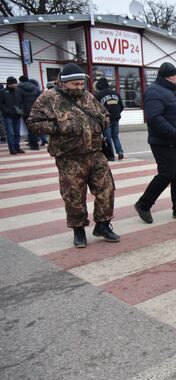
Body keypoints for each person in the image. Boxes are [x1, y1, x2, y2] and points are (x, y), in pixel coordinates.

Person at [27, 63, 120, 248]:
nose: (80, 87)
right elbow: (33, 123)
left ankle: (102, 225)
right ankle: (79, 230)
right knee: (74, 196)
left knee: (106, 190)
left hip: (95, 153)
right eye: (75, 84)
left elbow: (105, 114)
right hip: (69, 157)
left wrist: (103, 121)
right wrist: (59, 127)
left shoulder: (87, 96)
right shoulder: (49, 98)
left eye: (81, 84)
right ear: (64, 83)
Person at [134, 62, 176, 224]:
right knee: (166, 174)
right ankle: (143, 204)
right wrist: (174, 132)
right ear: (170, 77)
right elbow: (154, 118)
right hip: (164, 142)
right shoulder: (155, 92)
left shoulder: (170, 90)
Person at [95, 77, 125, 160]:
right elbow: (121, 106)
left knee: (107, 138)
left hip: (106, 119)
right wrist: (117, 113)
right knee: (115, 136)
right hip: (116, 118)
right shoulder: (115, 93)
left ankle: (111, 156)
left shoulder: (98, 95)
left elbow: (95, 108)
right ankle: (120, 152)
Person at [0, 76, 24, 155]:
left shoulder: (18, 91)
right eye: (14, 83)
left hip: (17, 115)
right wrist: (6, 110)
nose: (16, 84)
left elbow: (21, 101)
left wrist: (21, 109)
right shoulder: (2, 92)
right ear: (9, 84)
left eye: (16, 83)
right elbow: (1, 103)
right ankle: (12, 148)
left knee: (17, 132)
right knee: (10, 133)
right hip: (8, 116)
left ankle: (17, 147)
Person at [18, 76, 42, 150]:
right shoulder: (35, 88)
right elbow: (40, 99)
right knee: (34, 127)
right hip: (35, 110)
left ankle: (34, 144)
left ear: (21, 81)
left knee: (29, 128)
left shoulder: (19, 89)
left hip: (26, 111)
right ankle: (34, 143)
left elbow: (19, 100)